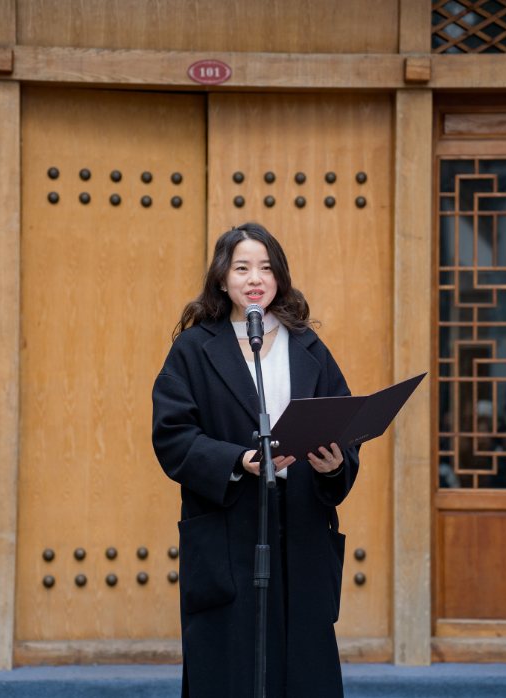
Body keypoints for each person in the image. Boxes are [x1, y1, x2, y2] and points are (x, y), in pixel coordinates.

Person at [152, 222, 359, 698]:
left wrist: (334, 466)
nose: (255, 279)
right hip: (230, 528)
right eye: (242, 268)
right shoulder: (193, 350)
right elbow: (173, 436)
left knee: (303, 671)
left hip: (301, 524)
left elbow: (344, 428)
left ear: (279, 278)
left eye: (266, 268)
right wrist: (237, 459)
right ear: (222, 278)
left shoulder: (307, 346)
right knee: (231, 670)